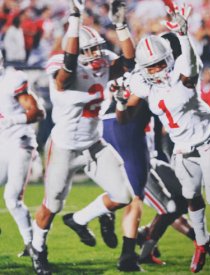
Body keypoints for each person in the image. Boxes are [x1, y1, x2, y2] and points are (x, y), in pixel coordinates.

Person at [112, 5, 210, 272]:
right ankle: (202, 242)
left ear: (170, 59)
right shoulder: (144, 82)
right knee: (190, 195)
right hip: (181, 148)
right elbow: (131, 65)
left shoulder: (182, 78)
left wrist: (184, 34)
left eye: (160, 62)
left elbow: (191, 63)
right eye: (151, 66)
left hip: (207, 142)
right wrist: (120, 96)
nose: (156, 69)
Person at [28, 1, 138, 274]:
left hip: (93, 143)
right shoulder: (63, 68)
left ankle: (80, 219)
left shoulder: (102, 64)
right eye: (88, 50)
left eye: (97, 48)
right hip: (64, 147)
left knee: (123, 195)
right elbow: (65, 69)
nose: (95, 55)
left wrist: (121, 26)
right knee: (51, 204)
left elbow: (129, 61)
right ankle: (38, 249)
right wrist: (75, 19)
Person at [0, 51, 45, 257]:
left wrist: (13, 121)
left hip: (19, 142)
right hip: (1, 144)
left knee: (12, 198)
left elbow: (37, 112)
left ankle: (32, 245)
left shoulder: (12, 79)